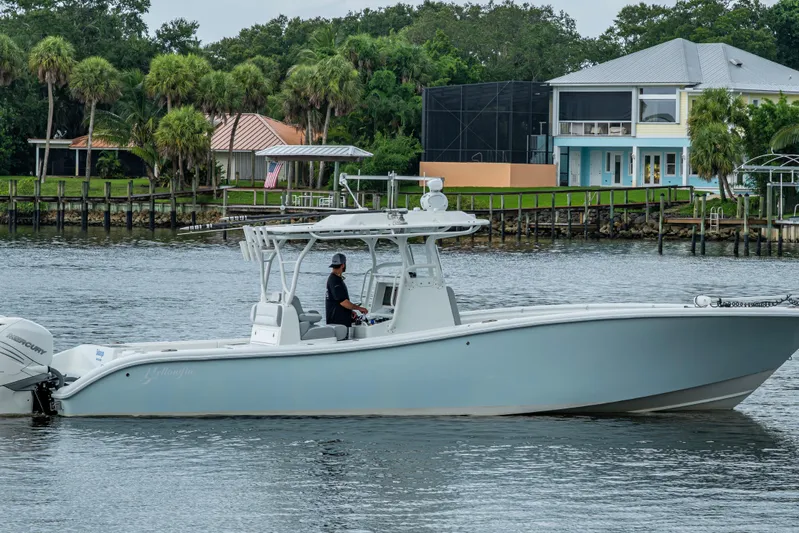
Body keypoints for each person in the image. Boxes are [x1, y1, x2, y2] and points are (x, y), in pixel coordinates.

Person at [326, 253, 367, 328]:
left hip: (338, 321)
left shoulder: (335, 279)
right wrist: (359, 308)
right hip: (338, 323)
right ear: (343, 265)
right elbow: (343, 302)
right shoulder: (335, 281)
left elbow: (337, 301)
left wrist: (350, 312)